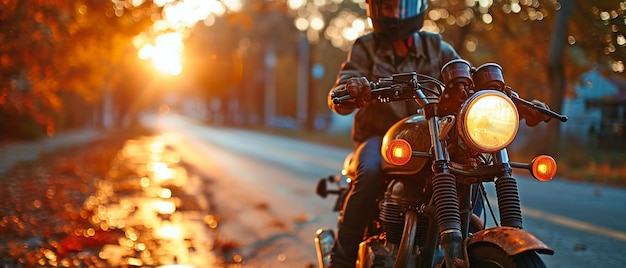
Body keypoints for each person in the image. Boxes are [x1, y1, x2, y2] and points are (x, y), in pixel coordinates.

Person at [326, 0, 460, 266]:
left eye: (403, 7)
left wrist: (513, 100)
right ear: (375, 9)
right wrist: (351, 90)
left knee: (467, 170)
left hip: (431, 140)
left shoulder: (437, 48)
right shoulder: (366, 47)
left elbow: (466, 77)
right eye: (388, 7)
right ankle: (341, 260)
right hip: (378, 138)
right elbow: (340, 90)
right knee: (371, 172)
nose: (397, 14)